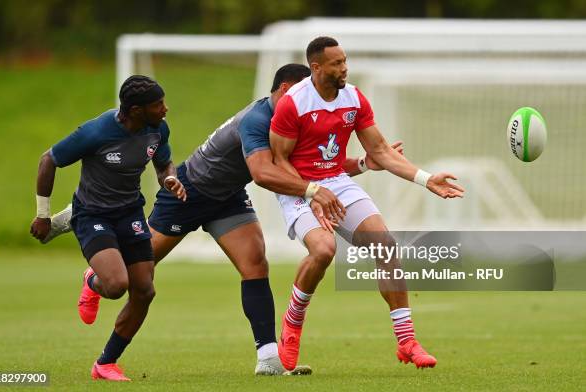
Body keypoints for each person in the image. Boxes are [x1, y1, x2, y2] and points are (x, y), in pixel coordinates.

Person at [41, 64, 403, 375]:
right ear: (285, 89)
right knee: (139, 270)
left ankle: (268, 357)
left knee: (255, 263)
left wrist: (361, 164)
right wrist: (324, 185)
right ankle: (93, 278)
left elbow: (313, 168)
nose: (309, 95)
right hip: (188, 193)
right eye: (304, 88)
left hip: (227, 198)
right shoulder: (260, 120)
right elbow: (269, 174)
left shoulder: (288, 120)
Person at [269, 37, 465, 371]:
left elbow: (381, 151)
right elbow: (279, 160)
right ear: (316, 68)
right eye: (336, 63)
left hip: (337, 183)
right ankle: (292, 324)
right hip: (298, 187)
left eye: (345, 61)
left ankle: (407, 341)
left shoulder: (353, 97)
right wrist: (311, 192)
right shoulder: (294, 103)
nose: (344, 68)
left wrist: (425, 178)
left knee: (386, 246)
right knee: (323, 250)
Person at [30, 75, 186, 381]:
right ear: (137, 110)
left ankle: (105, 363)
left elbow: (164, 163)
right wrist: (43, 215)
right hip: (91, 213)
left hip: (130, 212)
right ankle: (93, 281)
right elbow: (48, 159)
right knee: (116, 285)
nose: (165, 109)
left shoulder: (157, 128)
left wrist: (169, 177)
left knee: (144, 290)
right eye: (158, 104)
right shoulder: (97, 131)